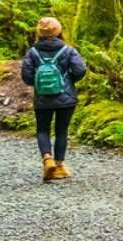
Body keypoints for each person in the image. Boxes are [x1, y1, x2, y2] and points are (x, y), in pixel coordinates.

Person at [20, 16, 87, 182]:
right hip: (66, 97)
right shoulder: (68, 50)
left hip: (42, 98)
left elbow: (27, 77)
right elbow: (80, 70)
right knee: (61, 131)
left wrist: (38, 84)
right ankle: (59, 166)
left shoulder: (32, 52)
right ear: (59, 32)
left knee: (43, 129)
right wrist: (69, 81)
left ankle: (47, 159)